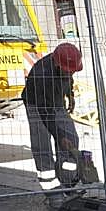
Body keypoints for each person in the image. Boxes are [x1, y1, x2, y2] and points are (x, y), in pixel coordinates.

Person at [22, 43, 83, 190]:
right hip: (36, 105)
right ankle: (51, 189)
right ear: (57, 64)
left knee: (71, 137)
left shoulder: (66, 65)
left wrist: (70, 95)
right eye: (67, 71)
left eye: (72, 71)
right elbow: (45, 113)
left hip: (56, 101)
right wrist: (59, 135)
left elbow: (69, 79)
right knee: (42, 143)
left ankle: (67, 182)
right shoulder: (42, 75)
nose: (70, 74)